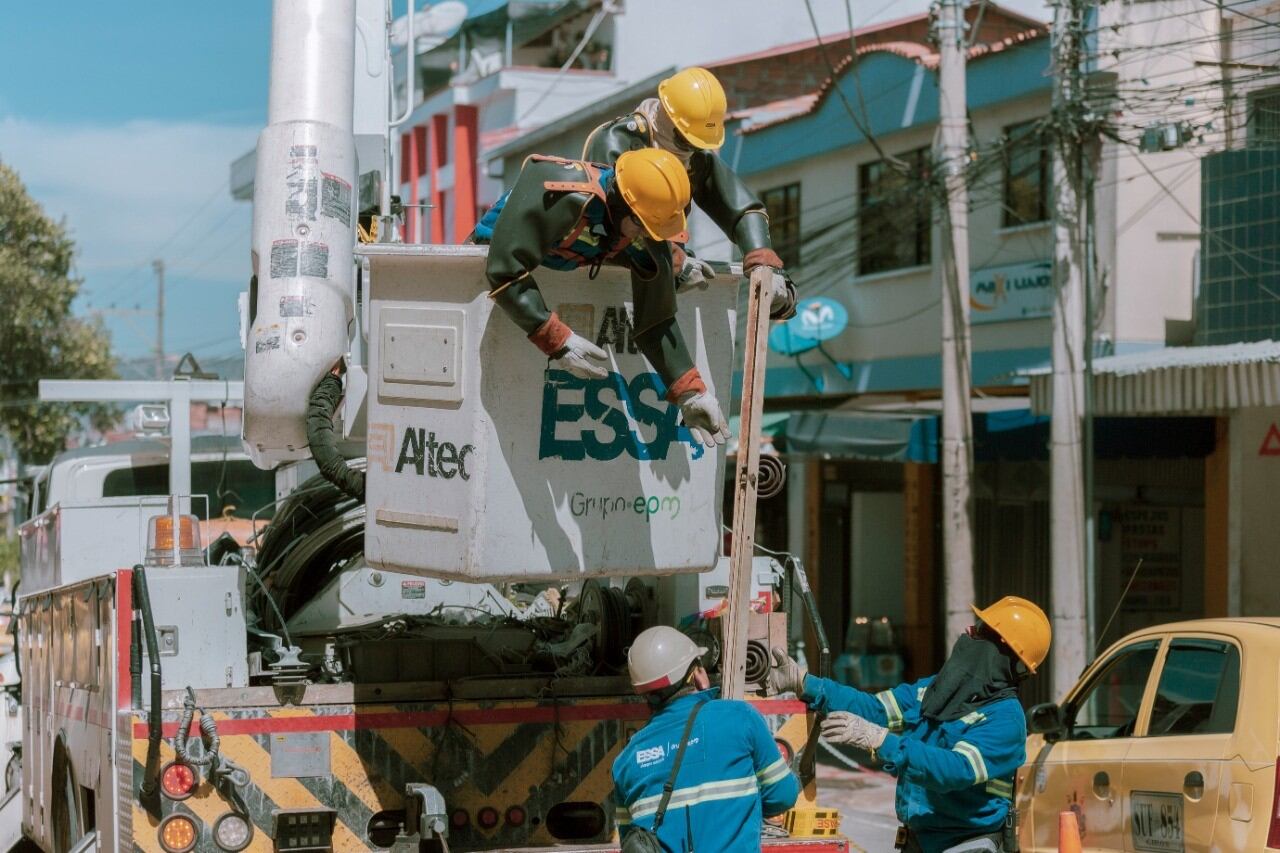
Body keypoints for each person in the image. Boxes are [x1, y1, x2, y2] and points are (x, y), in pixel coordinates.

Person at [479, 147, 729, 447]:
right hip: (486, 282)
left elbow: (656, 322)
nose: (645, 237)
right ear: (621, 204)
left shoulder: (644, 230)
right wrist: (556, 338)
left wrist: (691, 393)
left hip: (553, 272)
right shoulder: (562, 193)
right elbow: (503, 268)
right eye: (642, 226)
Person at [769, 596, 1052, 853]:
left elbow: (954, 769)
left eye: (981, 630)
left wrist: (882, 741)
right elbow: (875, 709)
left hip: (967, 845)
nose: (968, 630)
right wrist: (804, 683)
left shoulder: (1005, 720)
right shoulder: (937, 691)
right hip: (919, 841)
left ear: (1001, 653)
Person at [582, 66, 795, 313]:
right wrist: (669, 257)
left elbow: (742, 209)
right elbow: (613, 220)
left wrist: (764, 263)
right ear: (667, 118)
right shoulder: (618, 141)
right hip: (603, 278)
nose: (690, 149)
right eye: (686, 140)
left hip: (661, 284)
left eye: (696, 144)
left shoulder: (693, 158)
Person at [612, 626, 800, 852]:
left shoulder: (625, 762)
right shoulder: (741, 718)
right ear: (698, 675)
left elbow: (631, 841)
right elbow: (783, 796)